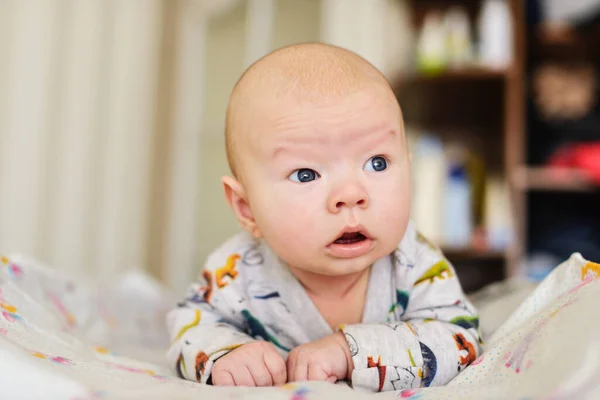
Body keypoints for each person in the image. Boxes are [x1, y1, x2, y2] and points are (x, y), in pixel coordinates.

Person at [167, 43, 482, 392]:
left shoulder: (414, 261)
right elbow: (189, 326)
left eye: (377, 162)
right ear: (247, 208)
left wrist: (351, 352)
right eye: (306, 174)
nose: (350, 194)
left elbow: (460, 340)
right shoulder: (238, 271)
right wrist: (225, 354)